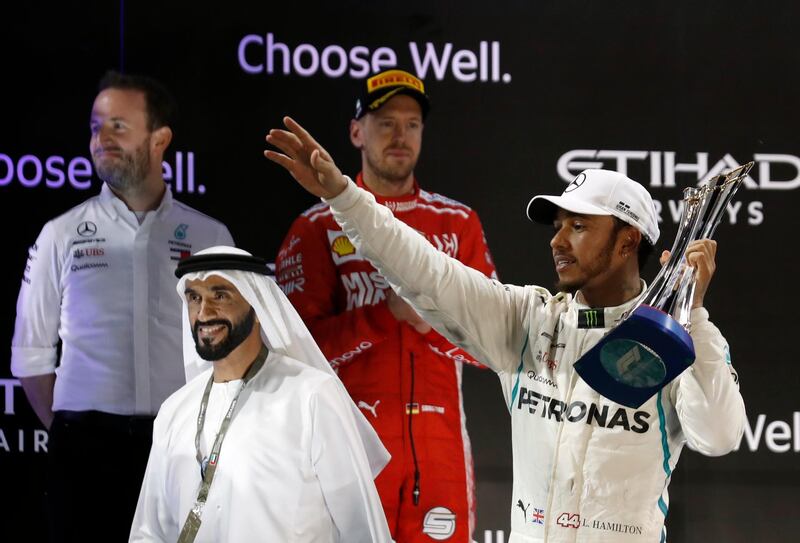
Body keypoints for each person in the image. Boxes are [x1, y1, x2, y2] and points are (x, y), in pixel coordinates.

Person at [264, 118, 747, 542]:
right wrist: (344, 197)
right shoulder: (526, 319)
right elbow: (425, 270)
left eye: (578, 226)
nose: (557, 240)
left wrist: (692, 316)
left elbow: (718, 436)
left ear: (627, 241)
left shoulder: (676, 338)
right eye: (557, 225)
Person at [274, 69, 497, 542]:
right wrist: (384, 315)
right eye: (385, 122)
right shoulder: (316, 226)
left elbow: (493, 346)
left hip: (441, 459)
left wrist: (430, 319)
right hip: (346, 451)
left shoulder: (457, 223)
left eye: (412, 124)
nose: (400, 135)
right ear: (356, 132)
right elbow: (292, 355)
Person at [10, 71, 234, 542]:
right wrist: (73, 433)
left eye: (118, 126)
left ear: (160, 139)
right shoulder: (61, 234)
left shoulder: (209, 238)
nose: (101, 139)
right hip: (83, 453)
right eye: (95, 127)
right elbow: (30, 358)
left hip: (180, 450)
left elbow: (234, 354)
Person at [129, 246, 392, 542]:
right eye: (194, 298)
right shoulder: (174, 410)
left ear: (257, 307)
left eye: (220, 295)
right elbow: (149, 532)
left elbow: (364, 530)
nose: (204, 312)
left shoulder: (311, 395)